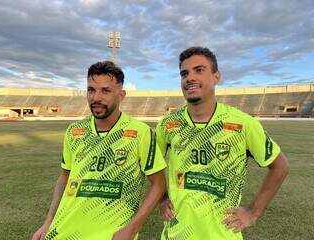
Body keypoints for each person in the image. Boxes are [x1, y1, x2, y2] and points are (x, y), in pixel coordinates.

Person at [156, 47, 289, 240]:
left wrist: (253, 212)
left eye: (199, 70)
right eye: (184, 73)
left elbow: (280, 166)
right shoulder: (168, 125)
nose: (190, 78)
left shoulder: (242, 123)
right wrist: (162, 198)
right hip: (176, 234)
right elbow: (154, 167)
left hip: (223, 234)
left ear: (216, 77)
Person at [32, 61, 167, 240]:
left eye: (106, 90)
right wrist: (48, 221)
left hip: (110, 235)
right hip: (62, 231)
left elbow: (159, 184)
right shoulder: (74, 131)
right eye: (91, 90)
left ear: (121, 95)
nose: (96, 97)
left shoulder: (140, 133)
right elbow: (64, 178)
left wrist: (132, 229)